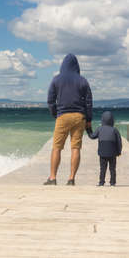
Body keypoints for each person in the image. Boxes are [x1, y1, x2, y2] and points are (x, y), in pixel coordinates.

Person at [44, 54, 93, 186]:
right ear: (77, 65)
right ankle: (71, 179)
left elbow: (50, 100)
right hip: (79, 116)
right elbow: (88, 102)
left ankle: (53, 178)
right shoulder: (83, 80)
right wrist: (88, 119)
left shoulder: (56, 79)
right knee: (75, 148)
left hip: (62, 116)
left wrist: (56, 114)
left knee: (56, 148)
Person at [86, 111, 122, 186]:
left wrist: (88, 129)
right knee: (112, 169)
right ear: (112, 120)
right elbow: (119, 142)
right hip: (112, 153)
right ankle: (112, 183)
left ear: (102, 119)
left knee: (102, 168)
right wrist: (119, 151)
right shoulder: (115, 130)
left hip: (102, 152)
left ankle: (101, 182)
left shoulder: (99, 129)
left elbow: (92, 136)